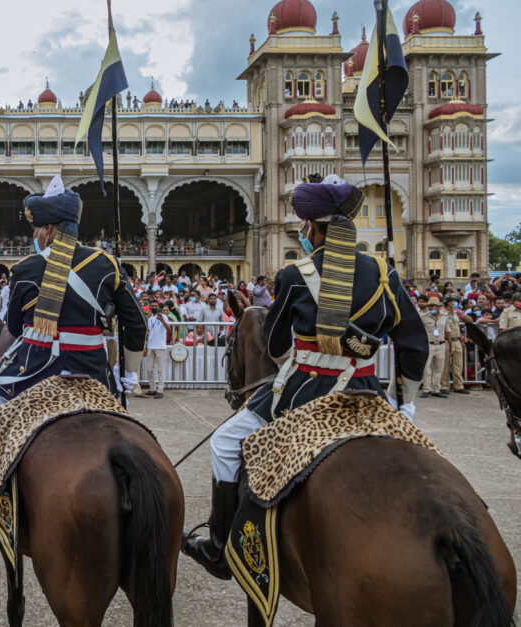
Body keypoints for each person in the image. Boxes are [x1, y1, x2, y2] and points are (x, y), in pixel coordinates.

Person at [183, 176, 428, 580]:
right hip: (366, 390)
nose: (303, 231)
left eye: (303, 224)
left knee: (225, 443)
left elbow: (277, 346)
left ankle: (220, 547)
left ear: (312, 226)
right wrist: (406, 404)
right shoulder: (385, 273)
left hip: (302, 391)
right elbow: (414, 343)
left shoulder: (295, 275)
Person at [0, 176, 146, 536]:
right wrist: (129, 377)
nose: (35, 234)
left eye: (39, 227)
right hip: (92, 373)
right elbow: (137, 326)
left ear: (52, 229)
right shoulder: (108, 265)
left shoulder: (26, 269)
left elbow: (12, 326)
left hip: (37, 368)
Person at [420, 296, 451, 398]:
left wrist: (450, 345)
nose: (431, 308)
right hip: (429, 344)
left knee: (438, 368)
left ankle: (436, 389)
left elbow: (448, 331)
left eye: (433, 306)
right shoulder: (424, 317)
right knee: (427, 368)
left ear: (438, 307)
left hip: (441, 344)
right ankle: (426, 389)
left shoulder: (444, 317)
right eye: (429, 306)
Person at [440, 296, 469, 395]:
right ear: (448, 302)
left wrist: (461, 340)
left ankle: (458, 385)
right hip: (447, 341)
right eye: (453, 301)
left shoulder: (455, 313)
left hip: (457, 340)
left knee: (458, 364)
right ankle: (444, 386)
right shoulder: (442, 314)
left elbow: (458, 327)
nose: (455, 303)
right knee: (445, 365)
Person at [145, 302, 169, 398]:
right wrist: (146, 346)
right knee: (149, 369)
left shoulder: (163, 317)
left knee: (160, 369)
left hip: (160, 346)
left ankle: (160, 390)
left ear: (159, 307)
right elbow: (148, 333)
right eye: (152, 306)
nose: (154, 307)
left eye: (155, 306)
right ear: (150, 307)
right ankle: (152, 388)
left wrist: (162, 320)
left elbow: (169, 328)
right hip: (151, 346)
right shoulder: (150, 319)